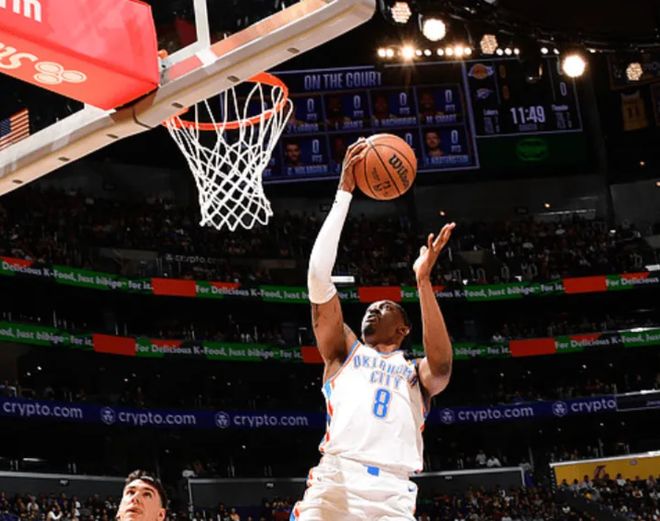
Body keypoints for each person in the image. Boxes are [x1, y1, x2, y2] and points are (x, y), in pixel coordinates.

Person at [291, 138, 455, 520]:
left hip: (393, 494)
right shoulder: (344, 352)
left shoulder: (415, 375)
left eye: (385, 307)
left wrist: (423, 282)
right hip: (337, 480)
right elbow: (317, 278)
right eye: (370, 307)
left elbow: (442, 366)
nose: (373, 310)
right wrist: (344, 194)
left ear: (403, 329)